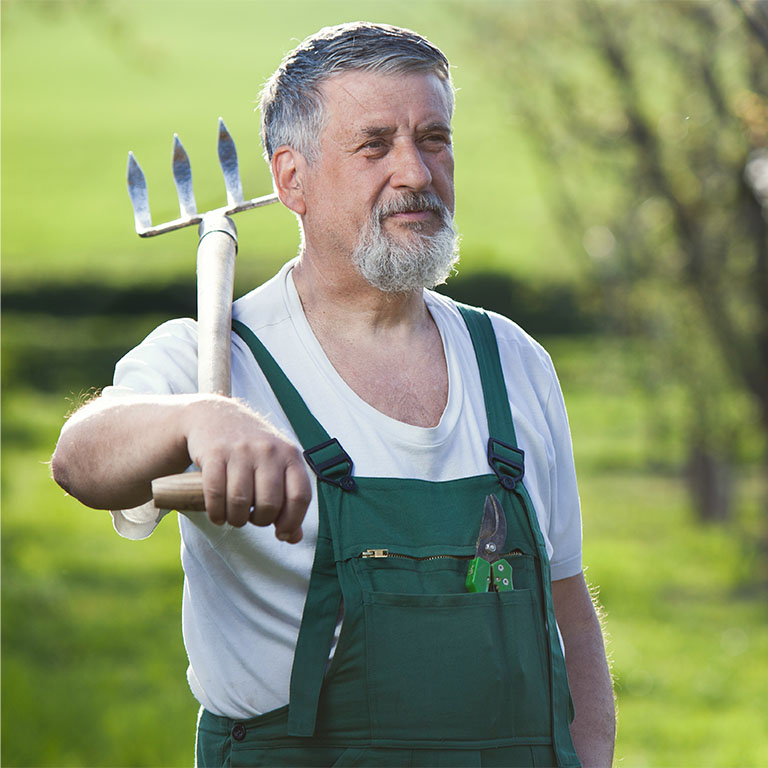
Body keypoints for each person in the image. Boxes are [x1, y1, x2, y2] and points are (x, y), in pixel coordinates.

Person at [52, 22, 615, 768]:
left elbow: (567, 606)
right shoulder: (216, 357)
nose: (416, 172)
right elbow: (80, 457)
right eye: (375, 145)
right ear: (292, 179)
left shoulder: (512, 361)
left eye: (435, 138)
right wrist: (201, 419)